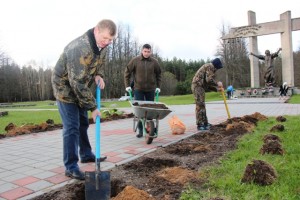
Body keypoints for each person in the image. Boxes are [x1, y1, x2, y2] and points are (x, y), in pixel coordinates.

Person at [51, 19, 117, 180]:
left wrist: (99, 74)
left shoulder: (101, 45)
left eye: (110, 40)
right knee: (72, 127)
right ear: (96, 31)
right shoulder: (79, 48)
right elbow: (76, 82)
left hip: (80, 86)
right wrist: (93, 107)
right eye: (105, 38)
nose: (107, 43)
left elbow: (98, 62)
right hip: (65, 88)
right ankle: (71, 166)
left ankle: (86, 154)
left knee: (83, 123)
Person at [124, 44, 162, 138]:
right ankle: (141, 130)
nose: (146, 53)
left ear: (151, 52)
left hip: (151, 89)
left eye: (148, 52)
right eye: (145, 51)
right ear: (142, 51)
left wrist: (158, 86)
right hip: (138, 89)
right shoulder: (135, 60)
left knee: (150, 111)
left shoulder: (154, 62)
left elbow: (159, 74)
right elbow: (127, 72)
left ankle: (150, 128)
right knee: (140, 111)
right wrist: (127, 86)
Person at [191, 58, 223, 131]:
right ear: (216, 66)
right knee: (200, 104)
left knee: (202, 104)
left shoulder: (209, 68)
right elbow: (209, 80)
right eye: (218, 68)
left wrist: (217, 89)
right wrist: (217, 83)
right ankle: (200, 124)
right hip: (197, 86)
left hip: (200, 86)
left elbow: (207, 85)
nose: (217, 70)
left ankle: (205, 123)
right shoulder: (210, 66)